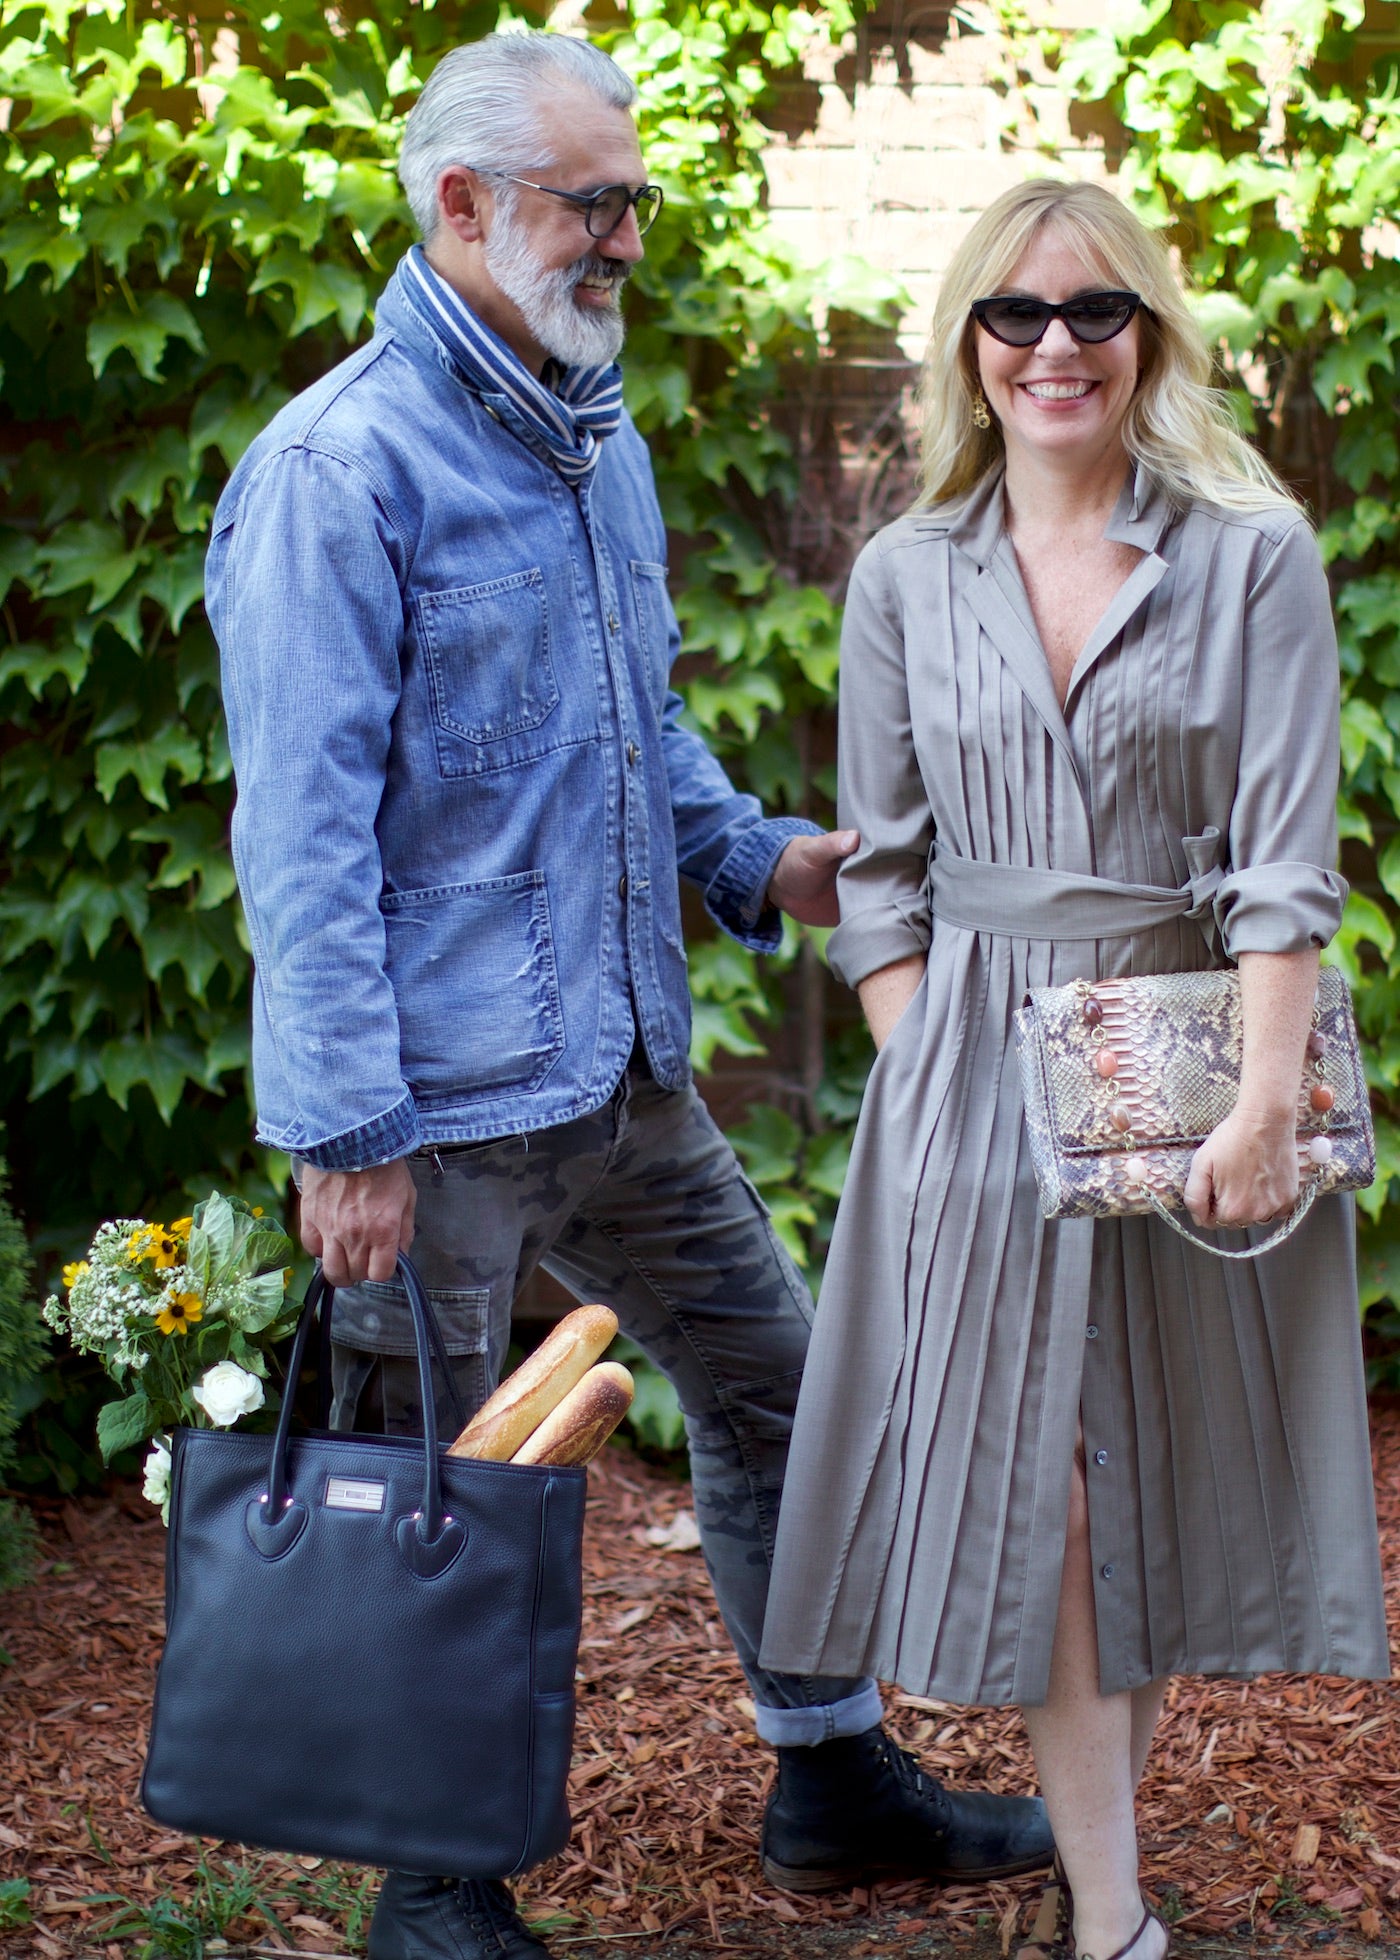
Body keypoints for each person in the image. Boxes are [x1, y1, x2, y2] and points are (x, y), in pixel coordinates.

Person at [207, 32, 1053, 1960]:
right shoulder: (338, 473)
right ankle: (434, 1878)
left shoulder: (601, 433)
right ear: (463, 207)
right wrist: (340, 1133)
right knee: (443, 1485)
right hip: (433, 1111)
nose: (625, 245)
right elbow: (305, 837)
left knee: (784, 1392)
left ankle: (828, 1771)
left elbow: (635, 727)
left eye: (635, 204)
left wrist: (759, 859)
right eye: (594, 206)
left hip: (627, 1071)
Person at [759, 178, 1389, 1960]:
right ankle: (1115, 1913)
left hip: (1185, 1071)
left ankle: (1108, 1882)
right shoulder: (900, 573)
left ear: (1150, 337)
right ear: (970, 341)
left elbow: (1282, 865)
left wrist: (1265, 1104)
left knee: (1149, 1473)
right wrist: (931, 1070)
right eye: (1017, 316)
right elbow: (879, 875)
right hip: (963, 1079)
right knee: (1051, 1488)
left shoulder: (1252, 553)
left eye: (1095, 314)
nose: (1056, 347)